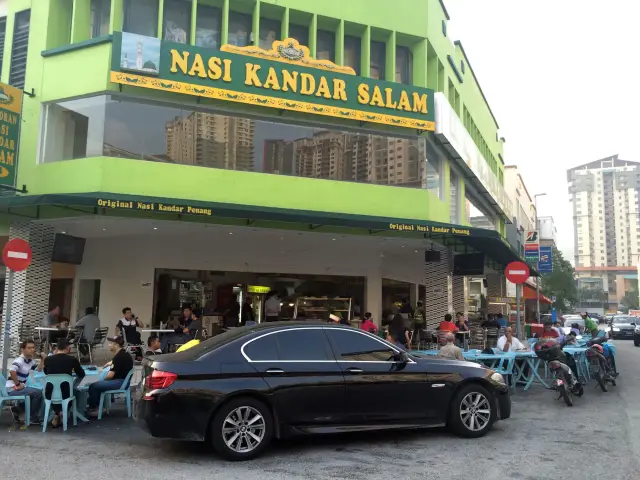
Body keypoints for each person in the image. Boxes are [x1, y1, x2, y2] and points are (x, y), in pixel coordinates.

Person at [86, 336, 133, 417]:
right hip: (124, 380)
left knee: (93, 386)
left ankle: (94, 408)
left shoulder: (118, 357)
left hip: (120, 382)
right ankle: (100, 405)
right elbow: (117, 363)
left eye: (111, 343)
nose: (109, 345)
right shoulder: (123, 353)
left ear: (116, 345)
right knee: (97, 385)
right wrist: (110, 362)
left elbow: (109, 376)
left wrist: (101, 380)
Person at [43, 338, 85, 428]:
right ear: (68, 348)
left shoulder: (47, 359)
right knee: (72, 390)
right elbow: (81, 374)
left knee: (55, 390)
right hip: (66, 393)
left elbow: (46, 373)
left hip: (50, 393)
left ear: (57, 348)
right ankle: (63, 412)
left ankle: (57, 413)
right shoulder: (72, 359)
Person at [6, 340, 44, 425]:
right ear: (23, 350)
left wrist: (42, 359)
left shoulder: (30, 361)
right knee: (37, 393)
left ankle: (17, 409)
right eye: (29, 348)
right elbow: (12, 372)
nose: (32, 350)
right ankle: (32, 418)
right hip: (12, 388)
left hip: (18, 387)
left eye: (33, 348)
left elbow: (38, 370)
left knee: (35, 392)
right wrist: (18, 384)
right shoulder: (20, 360)